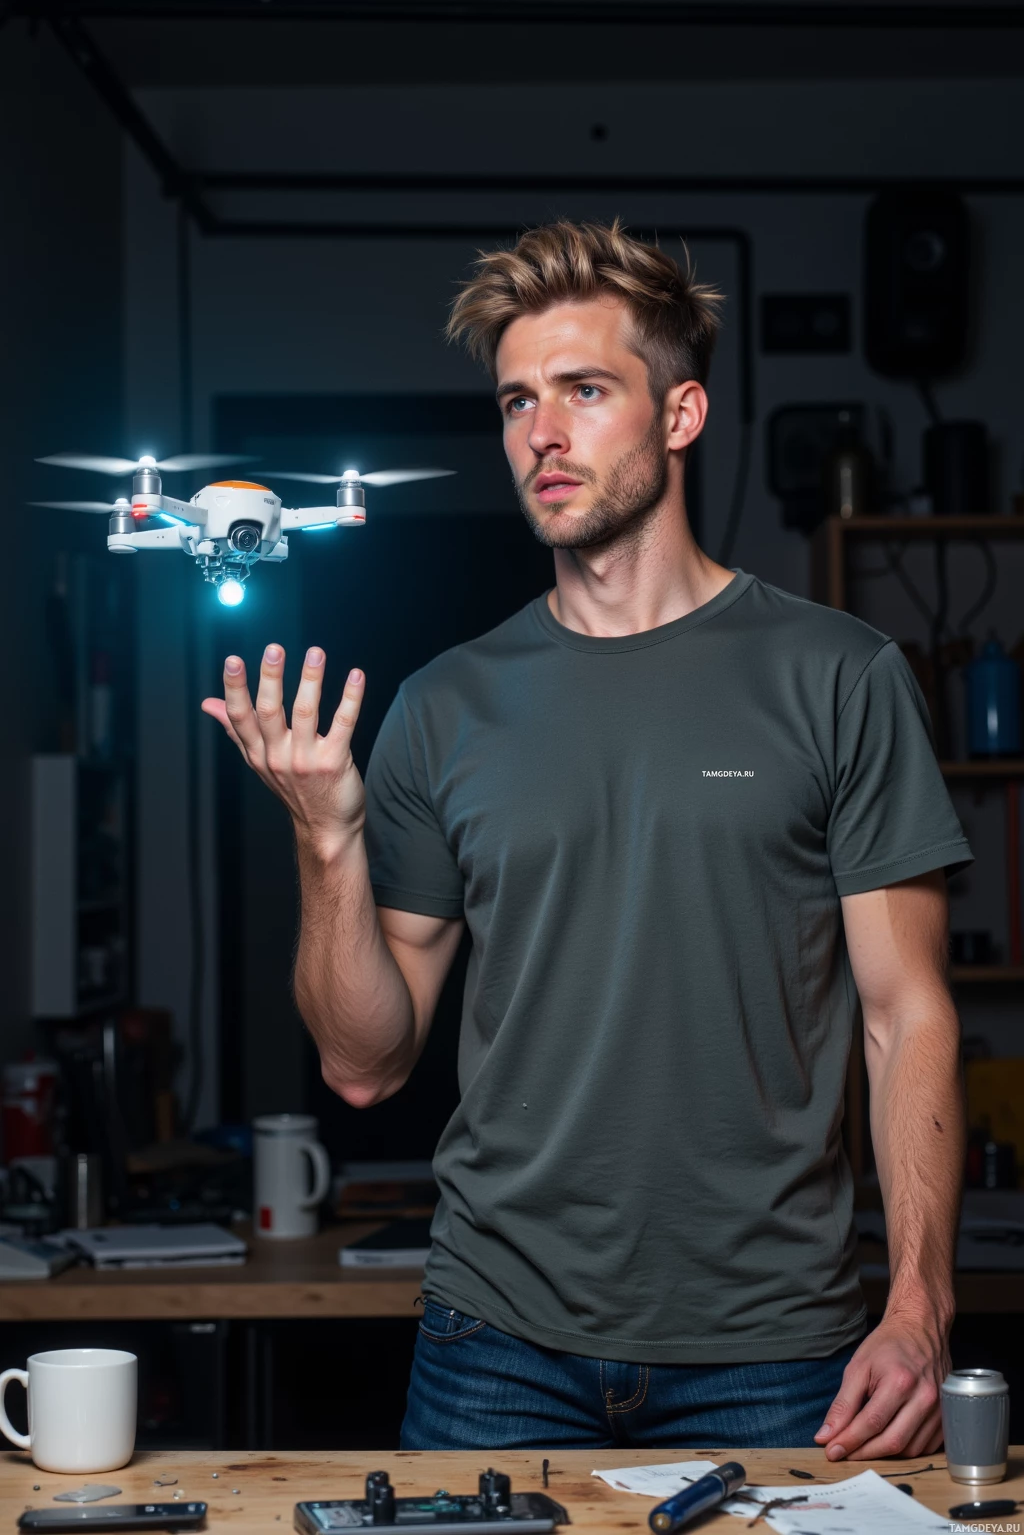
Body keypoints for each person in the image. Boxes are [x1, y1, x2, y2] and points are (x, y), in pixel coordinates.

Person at [203, 219, 971, 1456]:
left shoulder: (838, 677)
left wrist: (920, 1306)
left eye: (584, 390)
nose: (541, 434)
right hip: (494, 1348)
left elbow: (906, 1015)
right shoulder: (444, 705)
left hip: (776, 1350)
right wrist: (327, 843)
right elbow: (362, 1063)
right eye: (517, 401)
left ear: (680, 414)